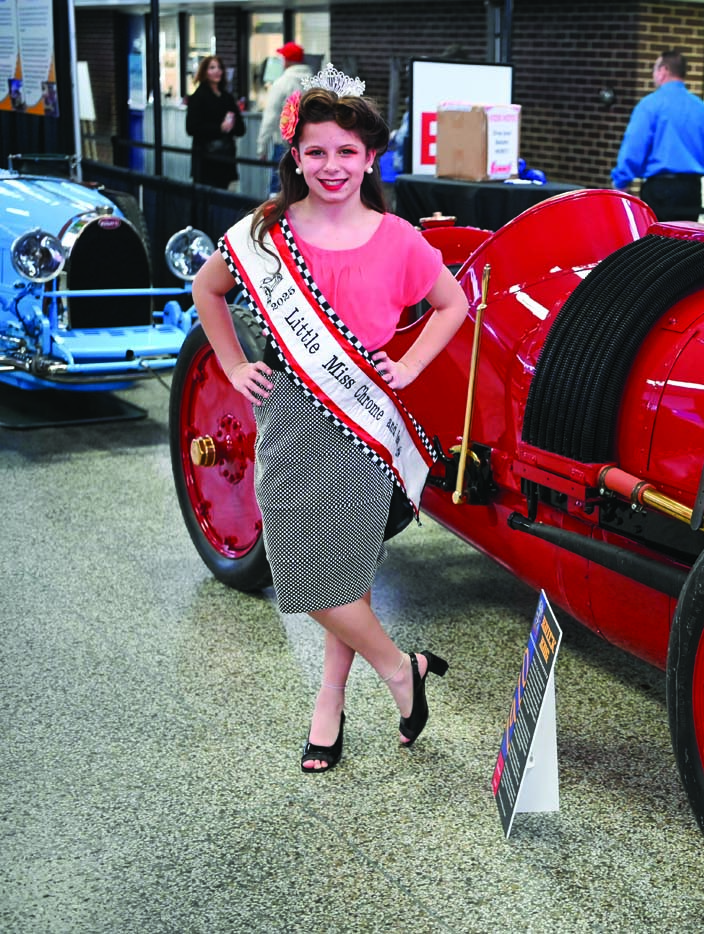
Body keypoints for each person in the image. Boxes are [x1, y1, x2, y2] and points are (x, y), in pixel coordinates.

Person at [191, 64, 470, 774]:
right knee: (302, 570)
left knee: (343, 570)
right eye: (315, 151)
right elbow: (206, 287)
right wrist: (231, 364)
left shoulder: (398, 237)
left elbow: (453, 304)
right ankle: (401, 668)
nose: (332, 165)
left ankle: (329, 701)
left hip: (361, 418)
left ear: (370, 158)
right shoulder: (266, 232)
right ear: (295, 156)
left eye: (347, 151)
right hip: (290, 411)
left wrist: (410, 366)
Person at [611, 49, 704, 222]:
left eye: (654, 69)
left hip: (659, 191)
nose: (653, 75)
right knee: (686, 238)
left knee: (657, 238)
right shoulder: (700, 108)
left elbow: (634, 146)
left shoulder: (650, 105)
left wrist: (621, 182)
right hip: (691, 191)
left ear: (663, 71)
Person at [258, 42, 313, 194]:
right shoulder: (313, 83)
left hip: (284, 145)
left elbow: (270, 118)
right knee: (304, 188)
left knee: (279, 187)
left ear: (287, 61)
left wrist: (262, 147)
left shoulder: (281, 83)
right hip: (309, 144)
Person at [186, 55, 246, 189]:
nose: (217, 71)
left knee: (225, 194)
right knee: (207, 196)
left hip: (226, 157)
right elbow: (191, 128)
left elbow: (241, 129)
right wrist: (219, 128)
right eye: (212, 68)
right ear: (204, 72)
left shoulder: (227, 97)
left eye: (219, 68)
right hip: (206, 158)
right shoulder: (198, 97)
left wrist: (231, 126)